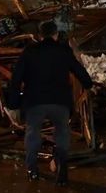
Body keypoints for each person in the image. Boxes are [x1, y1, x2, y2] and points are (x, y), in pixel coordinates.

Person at [8, 21, 94, 186]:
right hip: (59, 101)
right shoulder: (63, 51)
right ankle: (62, 172)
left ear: (39, 36)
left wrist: (14, 104)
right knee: (62, 132)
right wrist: (89, 85)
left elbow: (16, 79)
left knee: (33, 132)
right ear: (55, 34)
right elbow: (78, 70)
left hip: (34, 101)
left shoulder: (29, 51)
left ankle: (32, 170)